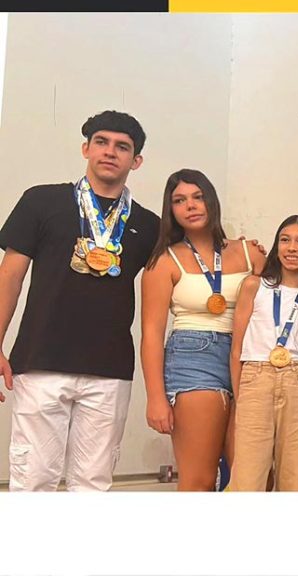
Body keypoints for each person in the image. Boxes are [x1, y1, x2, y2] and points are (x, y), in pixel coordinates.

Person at [0, 111, 159, 491]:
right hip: (41, 361)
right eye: (101, 142)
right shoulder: (41, 201)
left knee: (92, 485)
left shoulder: (149, 224)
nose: (110, 152)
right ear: (86, 148)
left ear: (136, 161)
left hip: (109, 369)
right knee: (33, 479)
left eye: (122, 147)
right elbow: (10, 276)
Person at [141, 169, 265, 491]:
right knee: (200, 480)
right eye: (179, 200)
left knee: (254, 479)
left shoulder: (250, 252)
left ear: (211, 200)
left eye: (198, 197)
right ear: (171, 210)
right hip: (193, 358)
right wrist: (156, 398)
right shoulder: (163, 262)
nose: (191, 206)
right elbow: (151, 334)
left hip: (250, 359)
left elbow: (286, 296)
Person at [230, 215, 298, 491]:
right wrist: (241, 396)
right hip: (256, 377)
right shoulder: (254, 286)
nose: (292, 248)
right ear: (276, 246)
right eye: (285, 240)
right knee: (248, 477)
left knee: (293, 477)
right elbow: (237, 348)